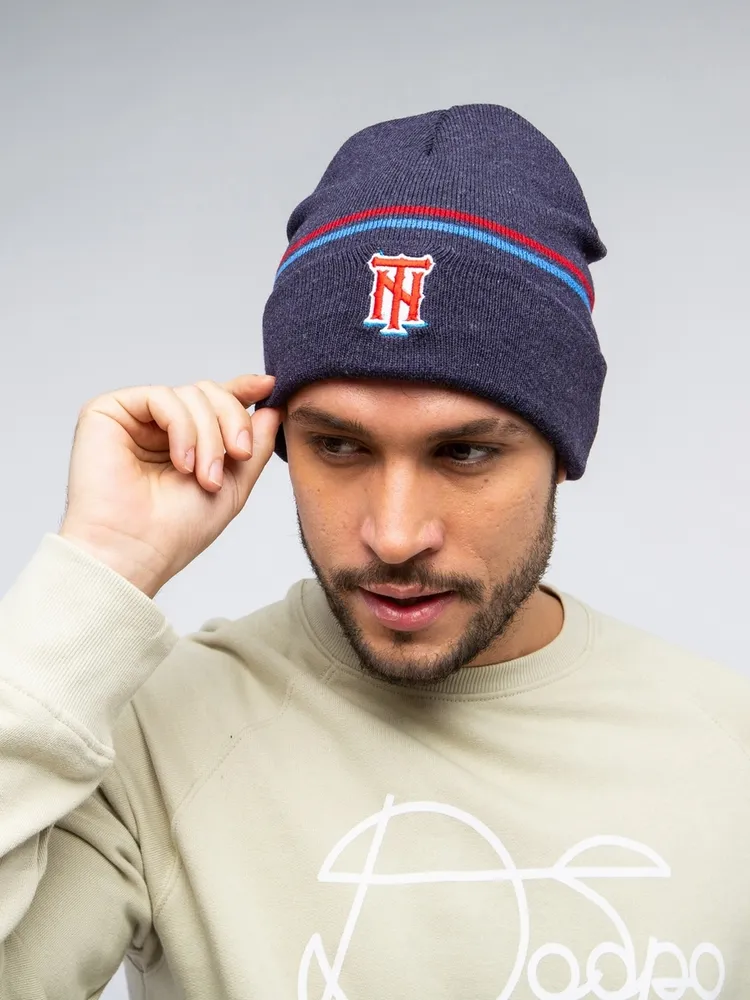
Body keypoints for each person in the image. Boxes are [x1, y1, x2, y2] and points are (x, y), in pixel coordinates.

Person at [0, 105, 747, 1000]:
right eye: (339, 446)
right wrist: (97, 569)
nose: (394, 535)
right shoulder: (144, 740)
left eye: (464, 452)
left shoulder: (729, 749)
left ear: (562, 451)